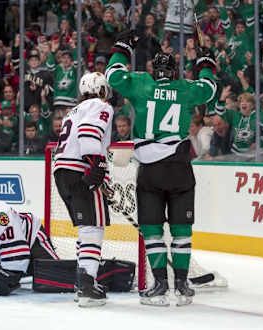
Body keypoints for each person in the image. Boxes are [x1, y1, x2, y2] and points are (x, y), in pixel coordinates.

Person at [106, 31, 217, 306]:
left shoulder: (142, 84)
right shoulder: (186, 88)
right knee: (182, 231)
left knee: (153, 230)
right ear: (176, 70)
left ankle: (160, 285)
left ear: (153, 70)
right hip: (180, 168)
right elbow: (209, 88)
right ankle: (181, 286)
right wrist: (205, 63)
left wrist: (123, 48)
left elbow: (112, 75)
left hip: (150, 171)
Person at [53, 71, 114, 307]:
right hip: (81, 170)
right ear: (101, 89)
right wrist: (97, 169)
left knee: (85, 228)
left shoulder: (73, 110)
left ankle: (83, 282)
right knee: (93, 228)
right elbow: (89, 132)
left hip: (62, 173)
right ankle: (87, 285)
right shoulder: (100, 105)